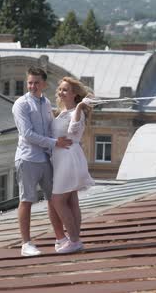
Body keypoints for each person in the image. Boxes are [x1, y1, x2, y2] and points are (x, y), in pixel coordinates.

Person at [12, 66, 73, 257]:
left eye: (36, 82)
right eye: (30, 82)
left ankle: (60, 239)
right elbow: (28, 134)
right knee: (27, 199)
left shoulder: (46, 103)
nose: (32, 86)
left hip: (46, 158)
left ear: (44, 84)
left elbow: (49, 129)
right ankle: (26, 243)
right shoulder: (21, 104)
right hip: (28, 158)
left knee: (53, 199)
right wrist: (56, 143)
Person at [50, 77, 96, 253]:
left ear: (75, 94)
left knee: (58, 200)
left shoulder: (76, 112)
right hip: (61, 158)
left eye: (65, 90)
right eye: (60, 89)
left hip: (68, 158)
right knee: (71, 200)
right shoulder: (61, 112)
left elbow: (73, 131)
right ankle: (75, 239)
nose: (61, 92)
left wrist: (79, 107)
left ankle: (74, 240)